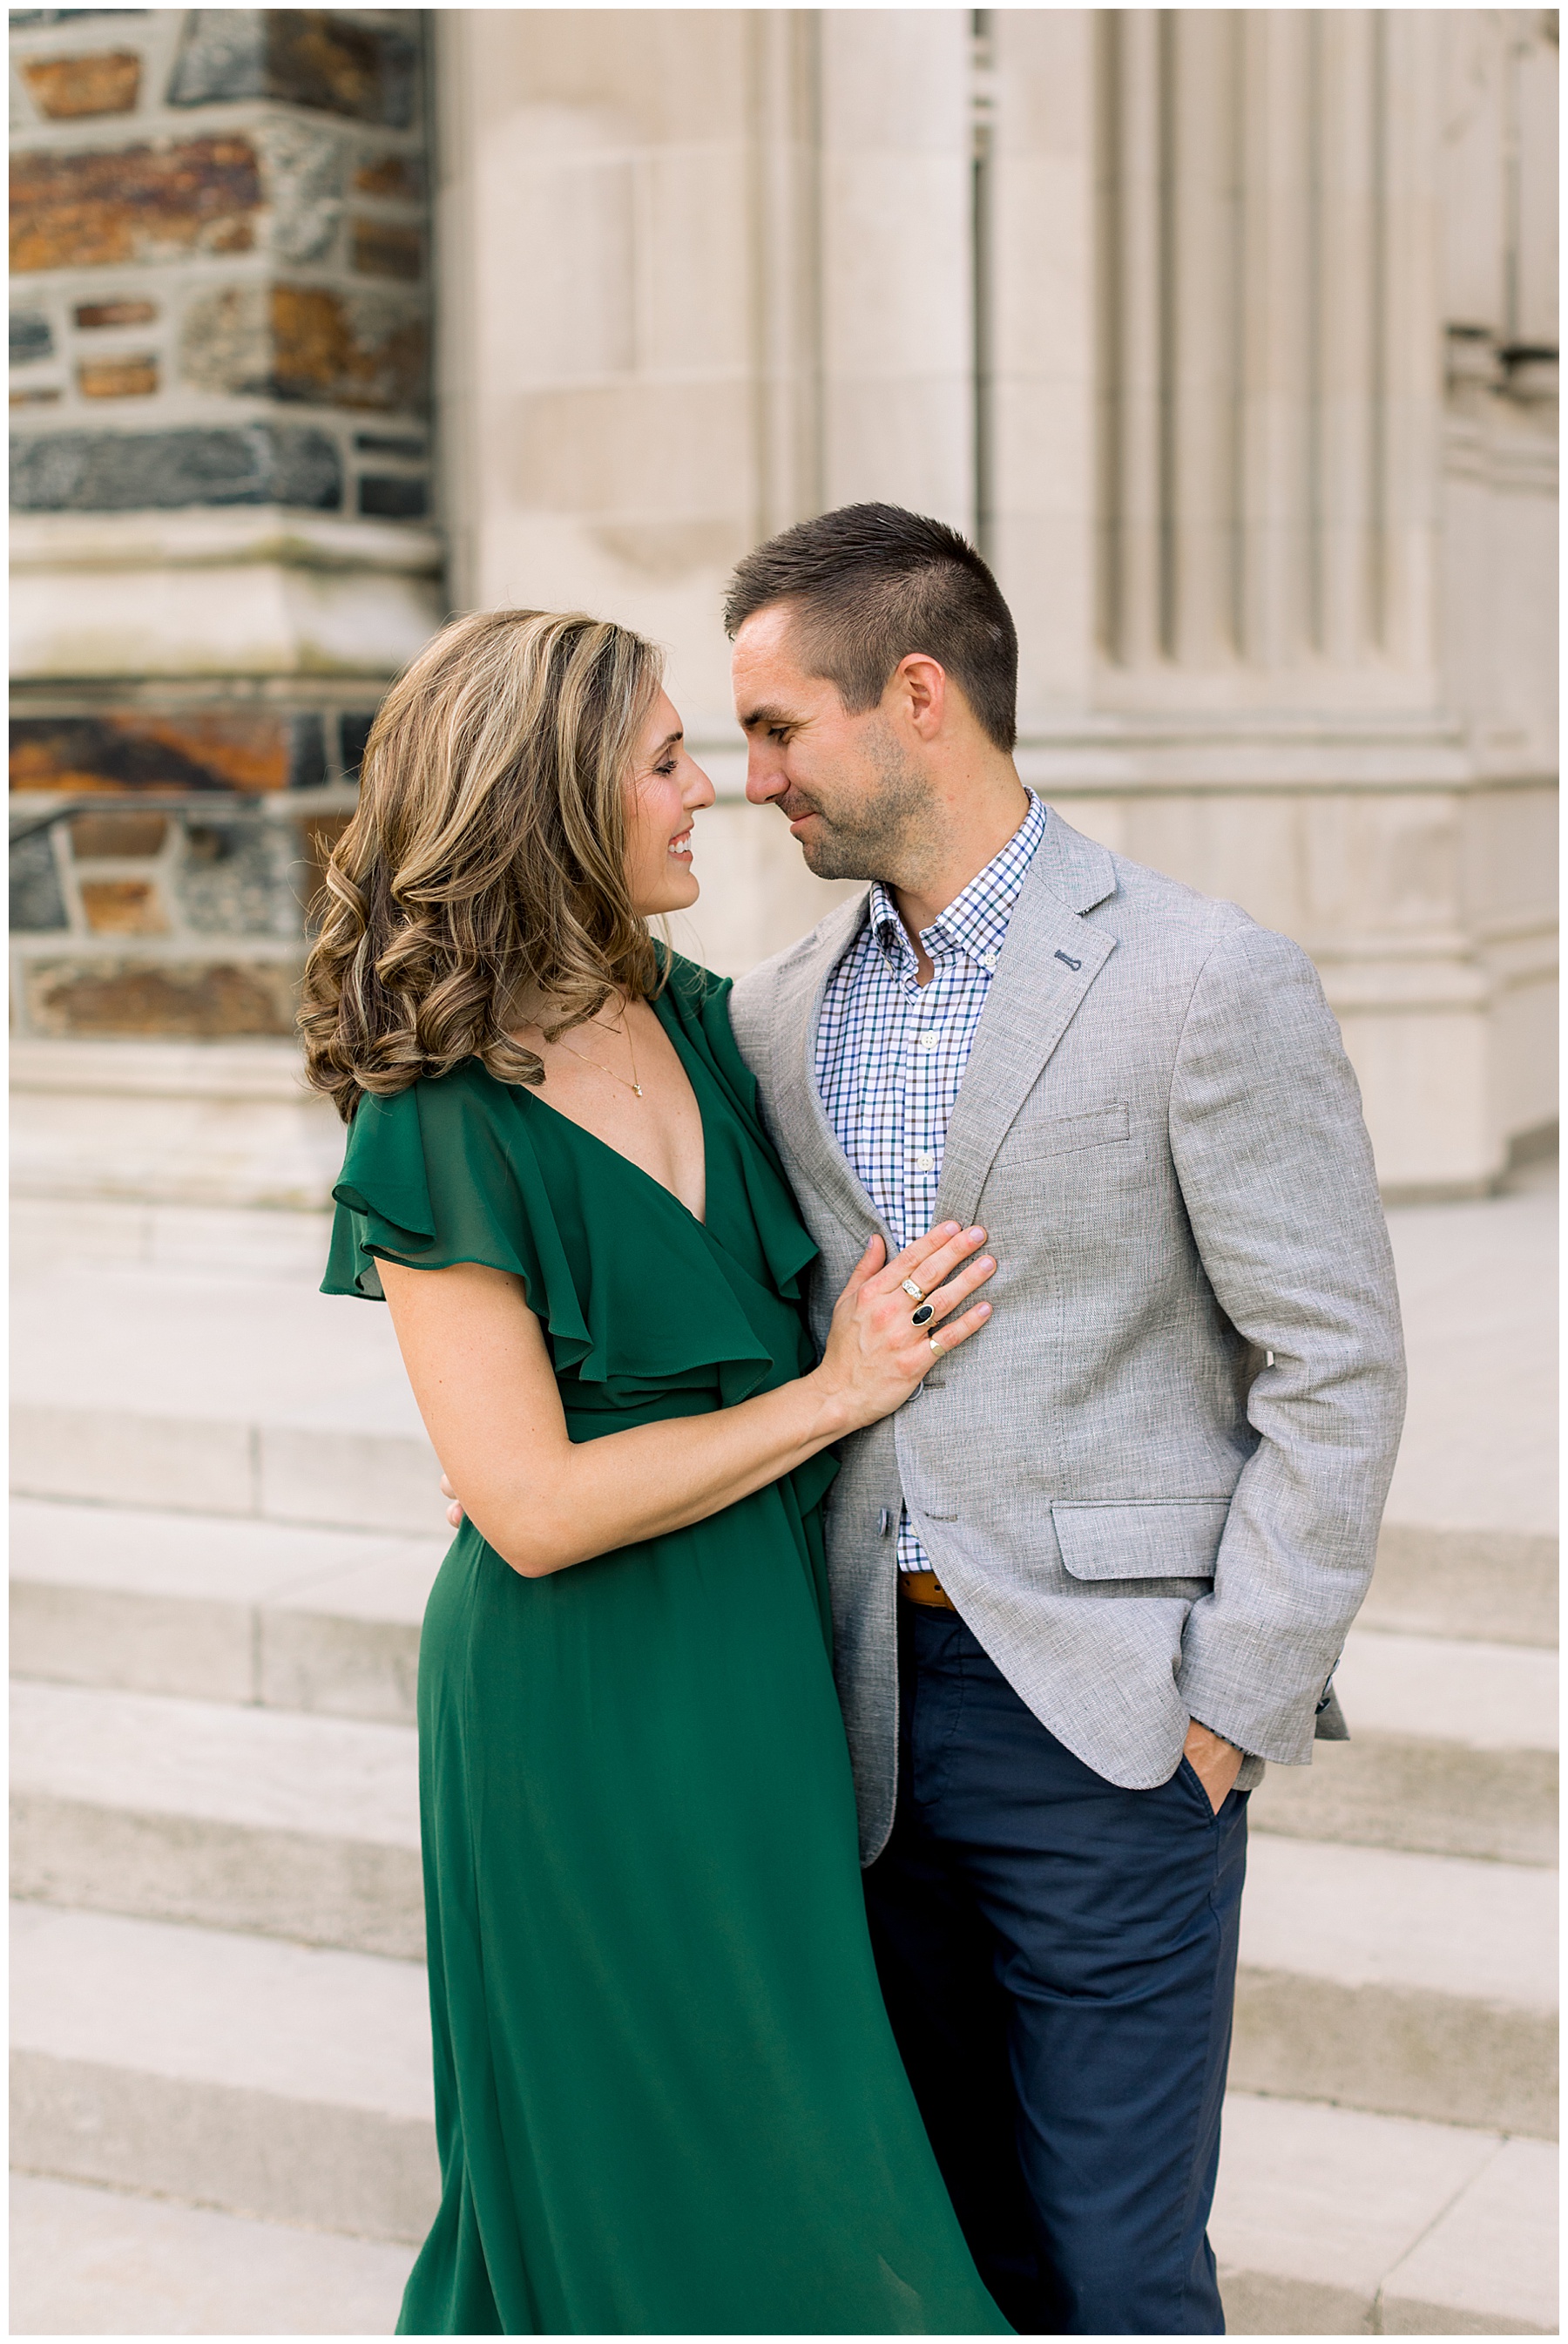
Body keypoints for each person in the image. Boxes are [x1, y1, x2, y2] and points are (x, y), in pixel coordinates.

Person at [719, 504, 1409, 2335]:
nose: (748, 777)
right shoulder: (775, 1017)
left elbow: (1334, 1359)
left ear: (917, 695)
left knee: (1118, 2269)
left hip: (1112, 1721)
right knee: (953, 2253)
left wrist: (1227, 1703)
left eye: (780, 726)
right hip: (859, 1724)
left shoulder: (1205, 975)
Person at [299, 606, 1010, 2336]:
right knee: (659, 2180)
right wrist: (836, 1393)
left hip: (759, 1671)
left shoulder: (700, 1019)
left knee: (809, 2138)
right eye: (669, 761)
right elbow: (532, 1510)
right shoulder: (437, 1114)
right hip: (579, 1704)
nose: (717, 794)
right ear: (556, 800)